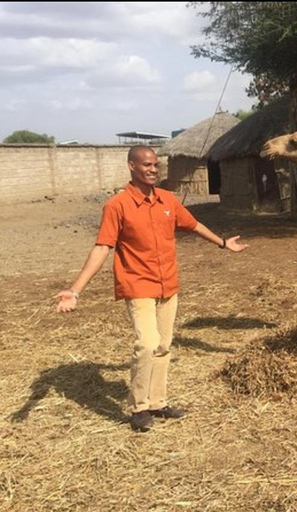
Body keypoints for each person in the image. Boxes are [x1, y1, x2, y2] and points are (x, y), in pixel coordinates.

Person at [54, 145, 248, 432]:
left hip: (168, 283)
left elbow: (193, 225)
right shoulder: (117, 205)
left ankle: (157, 401)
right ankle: (139, 407)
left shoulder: (167, 200)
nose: (153, 169)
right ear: (132, 166)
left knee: (163, 345)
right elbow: (103, 247)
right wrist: (75, 290)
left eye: (156, 165)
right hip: (137, 284)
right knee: (146, 344)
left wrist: (222, 243)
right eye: (146, 165)